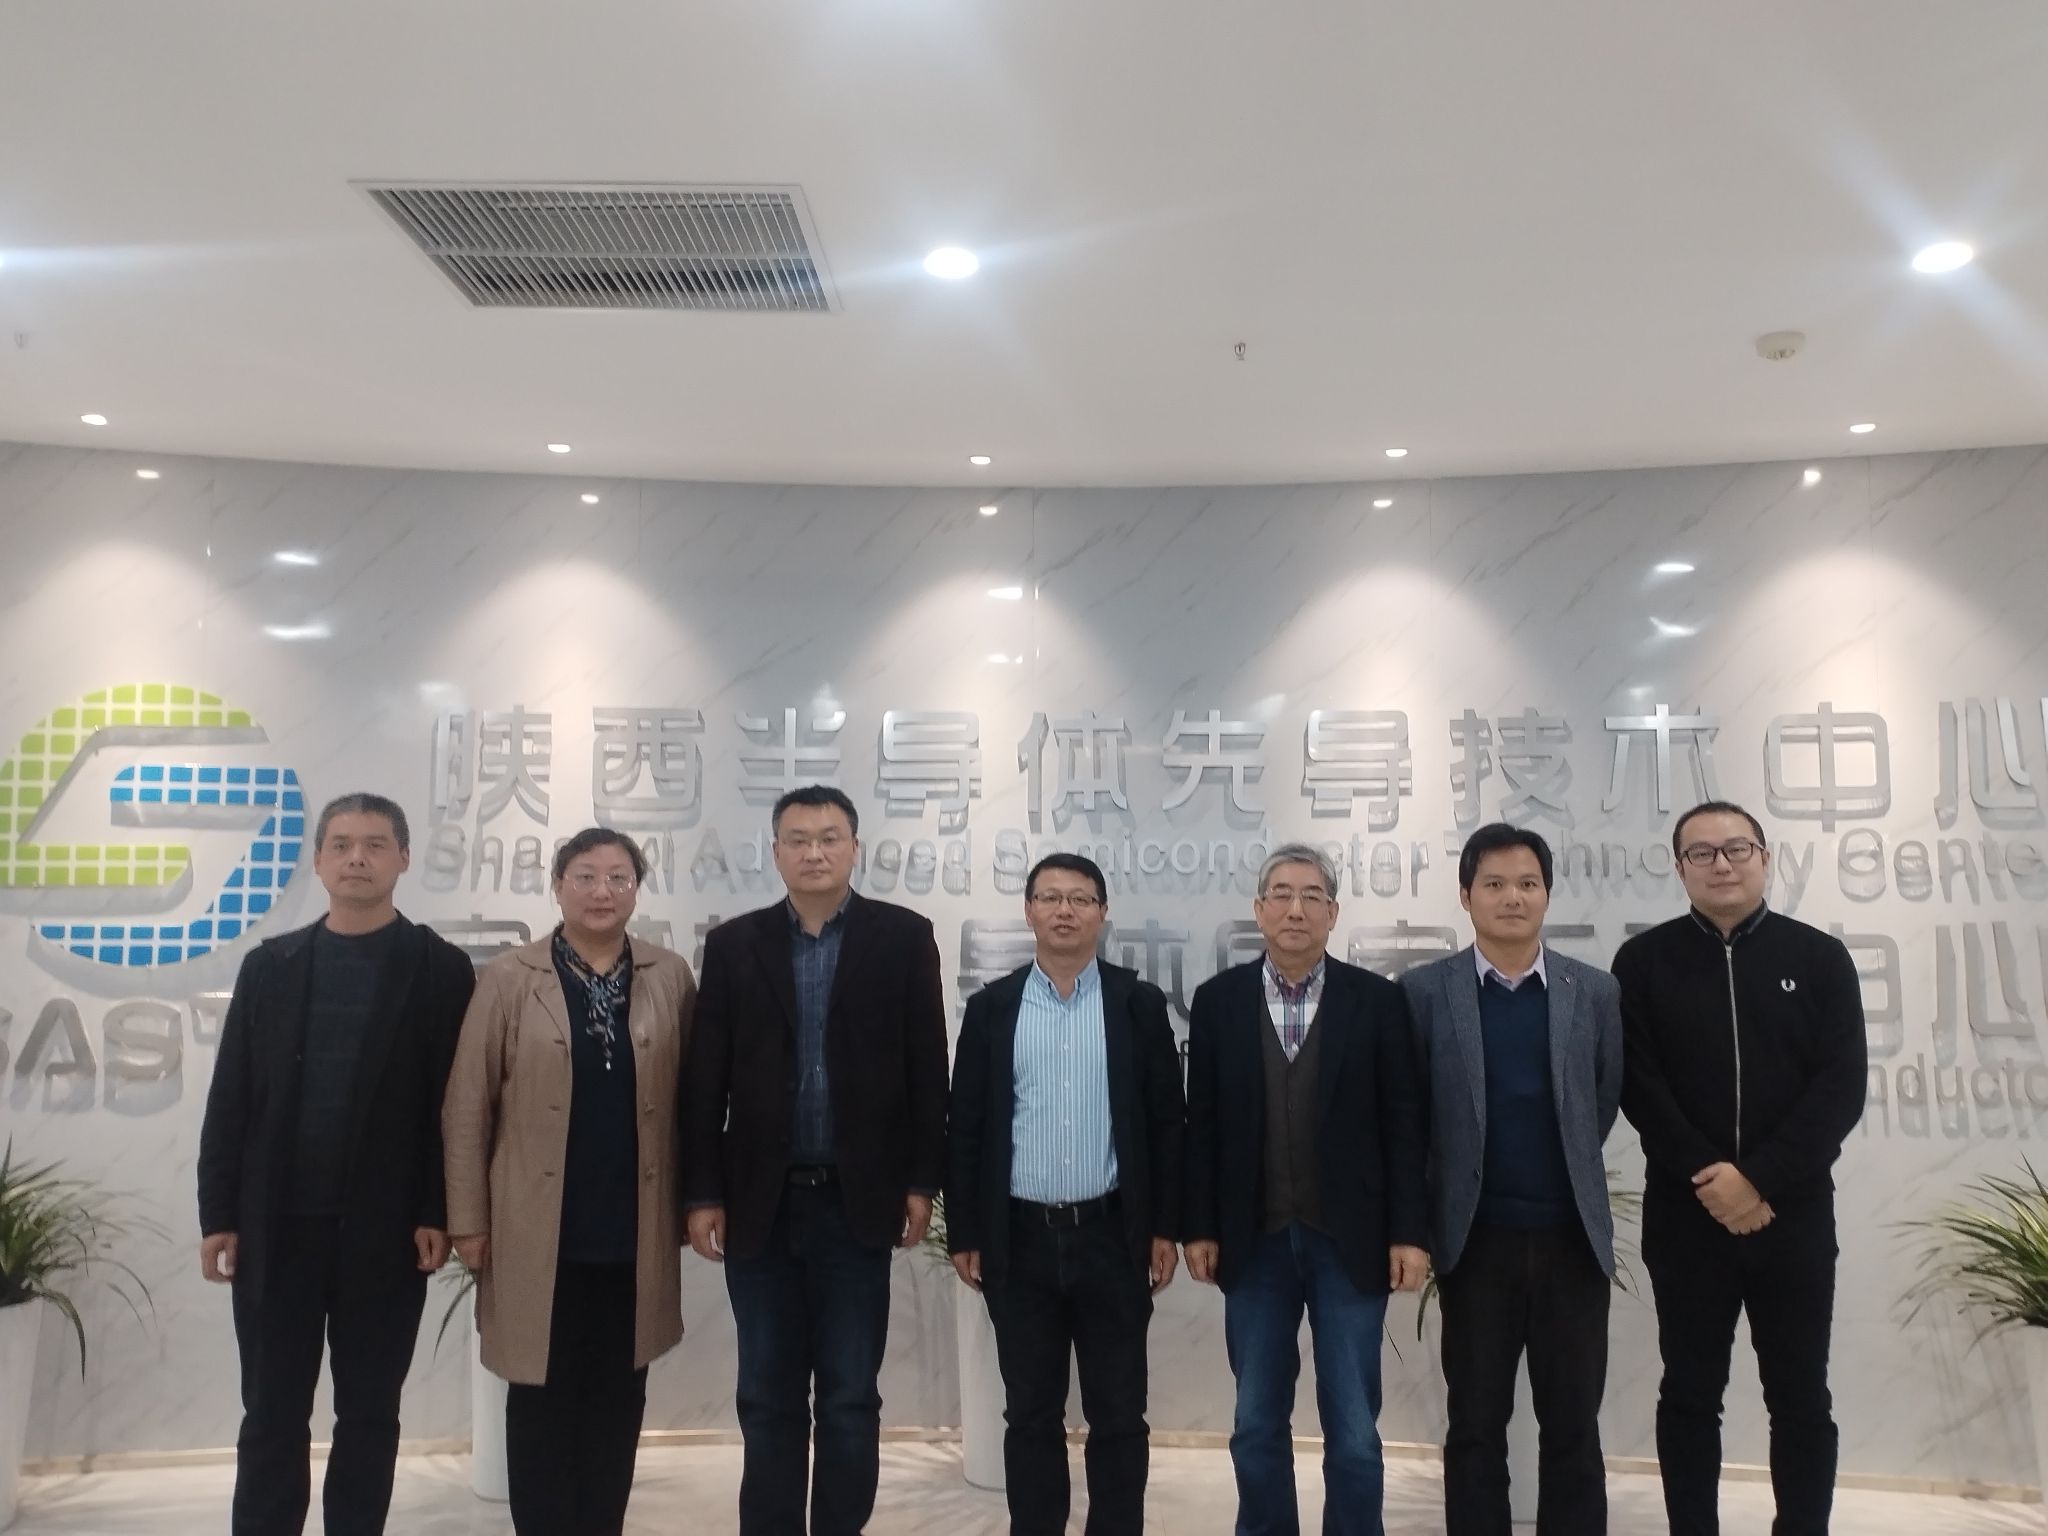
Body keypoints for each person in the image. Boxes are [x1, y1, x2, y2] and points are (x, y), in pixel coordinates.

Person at [197, 792, 475, 1536]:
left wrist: (437, 1209)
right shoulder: (271, 966)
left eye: (375, 844)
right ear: (318, 861)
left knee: (370, 1413)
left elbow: (452, 1107)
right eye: (342, 844)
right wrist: (219, 1214)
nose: (358, 858)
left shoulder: (441, 970)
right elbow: (232, 1097)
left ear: (404, 859)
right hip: (276, 1230)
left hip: (386, 1234)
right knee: (271, 1411)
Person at [682, 784, 950, 1535]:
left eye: (829, 838)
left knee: (849, 1395)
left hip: (855, 1202)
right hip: (759, 1205)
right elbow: (705, 1080)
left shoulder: (904, 937)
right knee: (766, 1395)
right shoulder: (734, 945)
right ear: (775, 853)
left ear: (855, 848)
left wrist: (921, 1181)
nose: (814, 852)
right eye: (797, 840)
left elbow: (928, 1069)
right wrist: (702, 1192)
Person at [1615, 800, 1866, 1536]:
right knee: (1690, 1394)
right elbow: (1639, 1085)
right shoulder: (1643, 963)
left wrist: (1758, 1180)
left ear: (1764, 857)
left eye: (1737, 848)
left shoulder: (1819, 958)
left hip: (1793, 1216)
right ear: (1679, 867)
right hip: (1686, 1219)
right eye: (1702, 853)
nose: (1721, 863)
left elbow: (1841, 1086)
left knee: (1800, 1397)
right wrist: (1711, 1177)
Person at [441, 827, 697, 1536]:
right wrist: (468, 1218)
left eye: (618, 878)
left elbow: (696, 1101)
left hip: (633, 1230)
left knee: (619, 1400)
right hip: (533, 1232)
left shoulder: (669, 975)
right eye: (585, 876)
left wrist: (695, 1202)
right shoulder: (509, 977)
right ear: (557, 886)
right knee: (539, 1400)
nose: (601, 891)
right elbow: (467, 1104)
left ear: (637, 890)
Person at [1183, 841, 1428, 1536]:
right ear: (1259, 910)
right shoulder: (1219, 1002)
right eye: (1282, 895)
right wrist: (1199, 1225)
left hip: (1350, 1242)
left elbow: (1404, 1125)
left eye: (1312, 896)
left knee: (1353, 1427)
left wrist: (1409, 1234)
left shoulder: (1378, 1002)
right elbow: (1202, 1125)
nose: (1296, 909)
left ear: (1333, 913)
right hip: (1252, 1240)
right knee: (1256, 1420)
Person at [945, 852, 1185, 1535]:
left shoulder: (1138, 1005)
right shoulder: (992, 1010)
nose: (1064, 911)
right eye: (1049, 897)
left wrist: (1163, 1227)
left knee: (1119, 1414)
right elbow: (966, 1128)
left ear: (1102, 914)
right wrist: (967, 1232)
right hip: (1019, 1241)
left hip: (1112, 1236)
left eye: (1080, 899)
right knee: (1029, 1414)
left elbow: (1168, 1123)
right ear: (1028, 912)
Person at [1402, 823, 1623, 1535]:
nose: (1512, 898)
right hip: (1476, 1243)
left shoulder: (1594, 991)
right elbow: (1411, 1118)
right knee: (1475, 1425)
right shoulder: (1423, 993)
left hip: (1571, 1243)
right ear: (1466, 895)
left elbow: (1601, 1099)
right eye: (1494, 884)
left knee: (1573, 1427)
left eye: (1527, 884)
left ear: (1547, 894)